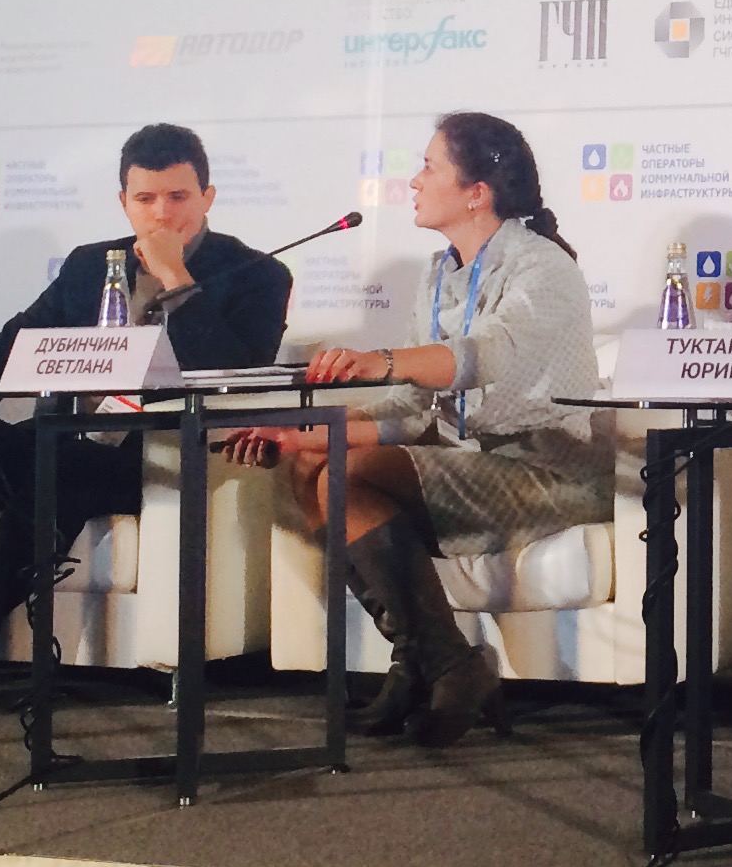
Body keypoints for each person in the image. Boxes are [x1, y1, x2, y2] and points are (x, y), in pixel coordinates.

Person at [0, 122, 290, 723]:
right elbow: (20, 337)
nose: (161, 213)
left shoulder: (257, 275)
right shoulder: (91, 264)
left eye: (178, 197)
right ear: (124, 201)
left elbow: (235, 376)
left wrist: (177, 279)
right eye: (145, 198)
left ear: (207, 198)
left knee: (64, 473)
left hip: (150, 459)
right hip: (61, 442)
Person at [240, 113, 602, 750]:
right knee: (310, 465)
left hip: (541, 467)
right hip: (462, 457)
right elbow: (412, 411)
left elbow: (484, 355)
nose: (413, 181)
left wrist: (379, 361)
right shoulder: (439, 273)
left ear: (476, 192)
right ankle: (434, 660)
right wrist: (303, 436)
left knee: (346, 471)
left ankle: (439, 665)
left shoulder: (541, 267)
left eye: (429, 167)